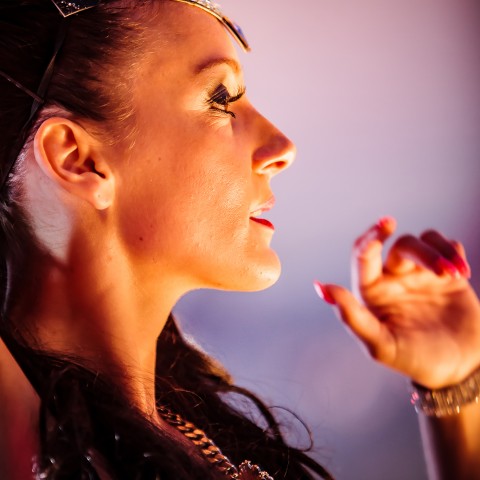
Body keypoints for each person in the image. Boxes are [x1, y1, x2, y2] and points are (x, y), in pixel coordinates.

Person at [0, 0, 479, 479]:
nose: (283, 148)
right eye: (221, 99)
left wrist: (454, 383)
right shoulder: (21, 436)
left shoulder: (191, 431)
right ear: (77, 159)